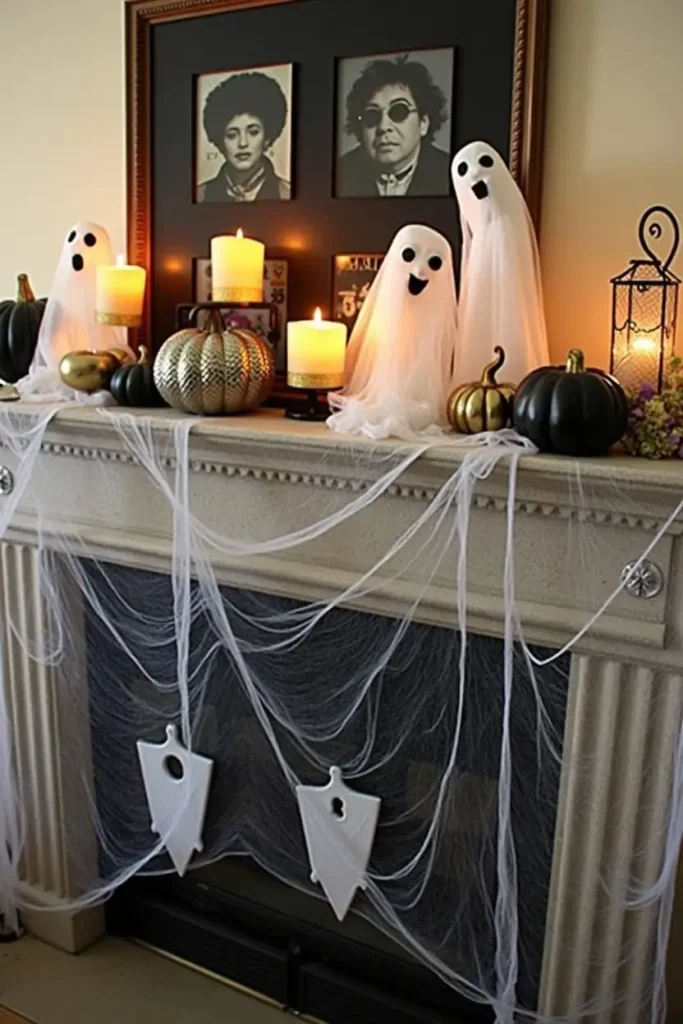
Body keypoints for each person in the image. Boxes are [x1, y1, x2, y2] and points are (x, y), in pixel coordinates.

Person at [337, 56, 450, 198]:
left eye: (399, 112)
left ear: (423, 123)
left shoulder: (450, 173)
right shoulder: (341, 172)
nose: (383, 127)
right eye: (372, 115)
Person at [198, 71, 291, 203]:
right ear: (220, 141)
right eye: (231, 135)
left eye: (253, 132)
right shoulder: (201, 196)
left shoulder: (286, 194)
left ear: (267, 138)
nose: (242, 143)